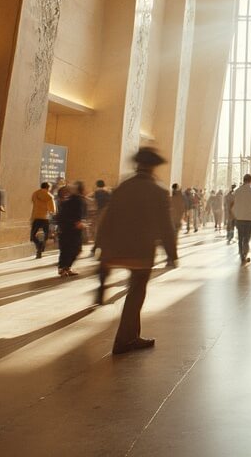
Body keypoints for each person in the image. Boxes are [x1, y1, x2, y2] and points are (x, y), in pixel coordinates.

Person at [96, 147, 177, 355]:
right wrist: (171, 253)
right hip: (141, 252)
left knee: (135, 292)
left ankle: (131, 336)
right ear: (152, 167)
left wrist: (100, 244)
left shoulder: (123, 187)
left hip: (116, 248)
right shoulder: (158, 191)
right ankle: (125, 340)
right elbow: (166, 226)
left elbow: (108, 217)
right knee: (136, 294)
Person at [55, 182, 87, 276]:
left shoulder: (70, 200)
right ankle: (64, 268)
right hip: (72, 228)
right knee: (73, 248)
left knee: (66, 248)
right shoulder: (77, 200)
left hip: (66, 228)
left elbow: (61, 215)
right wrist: (77, 222)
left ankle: (65, 268)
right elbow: (77, 213)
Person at [232, 174, 251, 265]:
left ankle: (241, 255)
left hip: (239, 218)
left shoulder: (237, 191)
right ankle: (245, 254)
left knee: (240, 237)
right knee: (246, 238)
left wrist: (235, 215)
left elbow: (233, 204)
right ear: (250, 181)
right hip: (250, 218)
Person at [30, 181, 55, 259]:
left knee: (33, 236)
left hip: (36, 217)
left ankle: (38, 246)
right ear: (48, 188)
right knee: (46, 235)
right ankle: (41, 246)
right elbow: (52, 210)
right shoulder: (50, 196)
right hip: (45, 218)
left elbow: (33, 202)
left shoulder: (35, 194)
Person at [89, 180, 111, 256]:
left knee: (97, 230)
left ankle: (96, 247)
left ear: (97, 185)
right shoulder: (107, 192)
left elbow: (91, 199)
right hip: (107, 212)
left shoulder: (97, 192)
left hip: (100, 211)